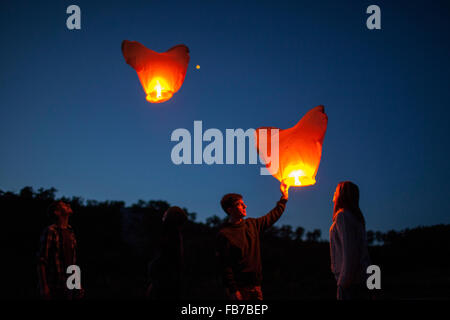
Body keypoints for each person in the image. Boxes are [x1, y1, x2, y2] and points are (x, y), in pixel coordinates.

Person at [215, 182, 289, 300]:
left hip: (256, 287)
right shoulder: (224, 234)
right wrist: (233, 290)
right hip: (239, 290)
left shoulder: (252, 224)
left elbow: (272, 216)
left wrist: (284, 198)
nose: (245, 206)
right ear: (230, 210)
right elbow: (225, 266)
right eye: (240, 204)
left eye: (243, 203)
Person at [329, 181, 371, 300]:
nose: (333, 194)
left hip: (351, 283)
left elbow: (349, 252)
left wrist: (343, 283)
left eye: (336, 191)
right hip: (360, 281)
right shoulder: (356, 218)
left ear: (342, 195)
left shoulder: (342, 216)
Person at [37, 201, 83, 300]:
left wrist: (77, 284)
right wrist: (44, 286)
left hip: (69, 286)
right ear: (57, 212)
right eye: (64, 205)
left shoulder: (71, 232)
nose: (68, 205)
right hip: (54, 285)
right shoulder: (51, 231)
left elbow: (73, 261)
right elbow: (41, 260)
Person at [147, 206, 187, 300]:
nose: (163, 216)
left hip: (164, 283)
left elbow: (166, 259)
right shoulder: (173, 235)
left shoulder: (171, 235)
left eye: (166, 214)